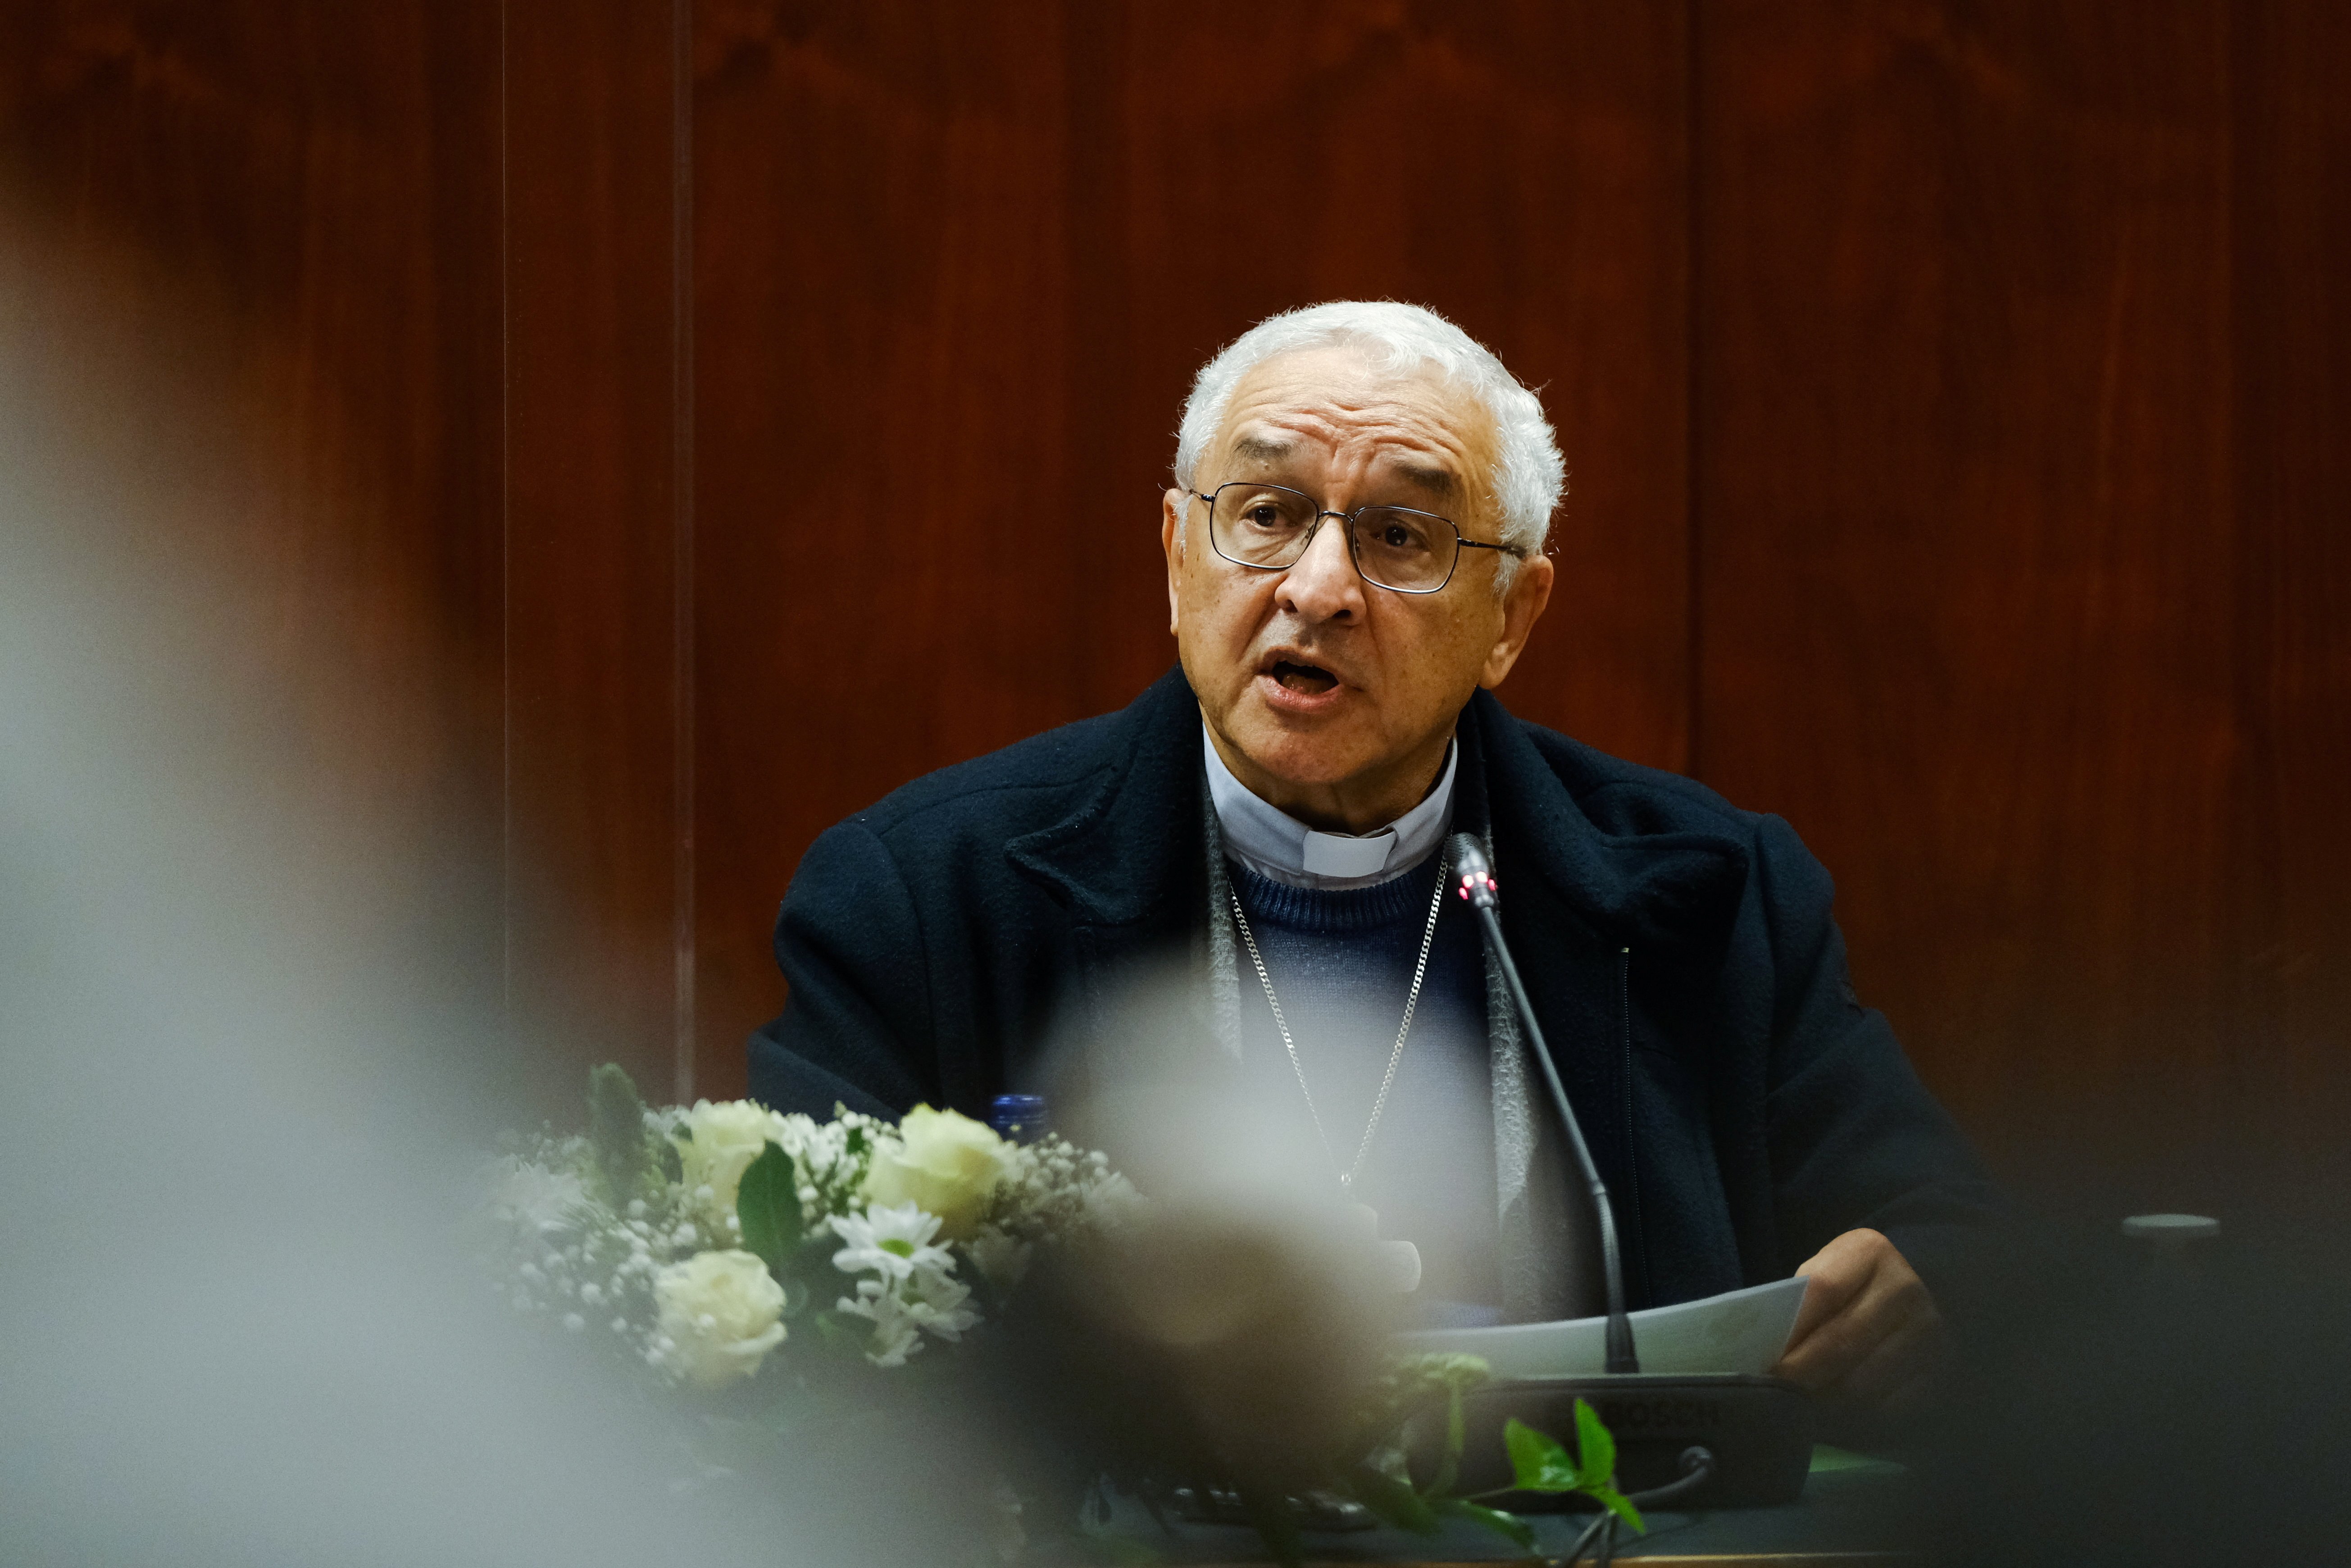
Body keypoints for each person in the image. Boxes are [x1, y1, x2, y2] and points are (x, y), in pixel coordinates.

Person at [749, 301, 2001, 1413]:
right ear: (1178, 559)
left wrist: (1921, 1284)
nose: (1319, 586)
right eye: (1266, 515)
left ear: (1511, 618)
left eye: (1401, 536)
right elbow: (804, 1304)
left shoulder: (1714, 893)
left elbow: (1943, 1231)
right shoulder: (923, 894)